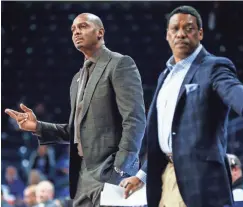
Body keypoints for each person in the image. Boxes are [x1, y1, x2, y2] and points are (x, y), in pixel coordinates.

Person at [120, 5, 243, 207]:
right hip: (164, 177)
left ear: (200, 33)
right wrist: (141, 176)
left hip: (200, 180)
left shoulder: (213, 66)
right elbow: (164, 138)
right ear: (167, 35)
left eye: (188, 28)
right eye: (175, 29)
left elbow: (232, 89)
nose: (181, 34)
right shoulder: (165, 77)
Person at [5, 13, 146, 207]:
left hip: (110, 173)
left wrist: (120, 169)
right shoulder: (77, 80)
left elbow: (135, 120)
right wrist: (38, 126)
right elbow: (76, 132)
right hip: (80, 177)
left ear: (100, 32)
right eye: (73, 29)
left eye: (83, 26)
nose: (76, 32)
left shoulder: (120, 64)